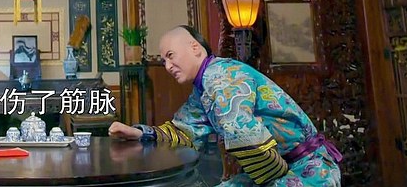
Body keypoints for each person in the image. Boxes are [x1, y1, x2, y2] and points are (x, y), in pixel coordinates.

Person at [108, 25, 342, 186]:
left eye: (171, 55)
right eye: (163, 61)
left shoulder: (222, 76)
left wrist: (271, 181)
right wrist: (140, 133)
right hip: (278, 168)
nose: (167, 66)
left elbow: (243, 133)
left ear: (195, 48)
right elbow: (185, 132)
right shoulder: (203, 87)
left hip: (308, 171)